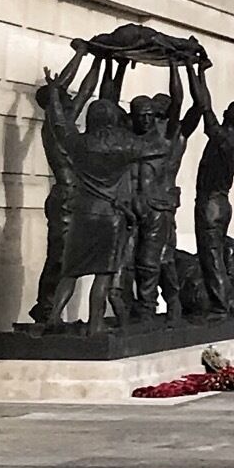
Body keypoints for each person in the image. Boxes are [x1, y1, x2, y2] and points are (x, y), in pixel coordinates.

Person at [50, 92, 170, 334]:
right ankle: (96, 323)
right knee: (103, 274)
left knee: (70, 272)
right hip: (110, 216)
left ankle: (53, 318)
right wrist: (156, 118)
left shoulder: (79, 143)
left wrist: (54, 95)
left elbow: (60, 125)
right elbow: (159, 148)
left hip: (82, 214)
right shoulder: (123, 144)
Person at [125, 64, 200, 322]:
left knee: (153, 260)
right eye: (148, 115)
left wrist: (178, 65)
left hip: (159, 206)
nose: (153, 120)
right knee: (153, 258)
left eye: (158, 115)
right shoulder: (137, 139)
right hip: (136, 207)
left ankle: (151, 308)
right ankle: (164, 305)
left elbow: (190, 104)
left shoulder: (169, 139)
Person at [27, 41, 93, 327]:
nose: (70, 99)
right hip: (65, 197)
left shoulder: (65, 125)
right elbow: (59, 88)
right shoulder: (54, 126)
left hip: (74, 198)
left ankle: (49, 309)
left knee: (68, 259)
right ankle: (46, 309)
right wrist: (80, 54)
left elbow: (86, 92)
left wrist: (98, 61)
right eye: (64, 97)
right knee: (59, 258)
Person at [190, 63, 234, 316]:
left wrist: (196, 71)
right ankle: (229, 302)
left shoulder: (221, 137)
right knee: (215, 255)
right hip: (222, 205)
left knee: (211, 259)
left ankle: (223, 306)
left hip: (210, 205)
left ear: (226, 115)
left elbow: (203, 105)